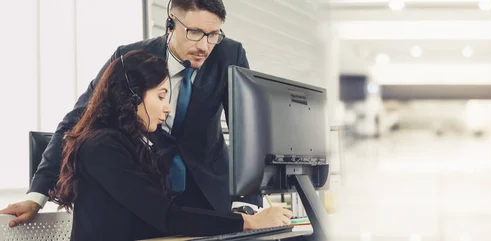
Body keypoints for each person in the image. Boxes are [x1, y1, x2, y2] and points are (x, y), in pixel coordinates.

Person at [1, 0, 264, 227]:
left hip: (209, 188)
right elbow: (76, 121)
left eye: (213, 34)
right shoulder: (130, 58)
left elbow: (248, 131)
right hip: (148, 190)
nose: (205, 46)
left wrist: (248, 201)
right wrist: (37, 195)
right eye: (195, 33)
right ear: (171, 24)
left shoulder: (229, 54)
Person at [49, 50, 292, 240]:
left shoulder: (135, 142)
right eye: (161, 96)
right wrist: (248, 222)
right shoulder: (102, 147)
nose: (168, 107)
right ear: (132, 97)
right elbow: (165, 215)